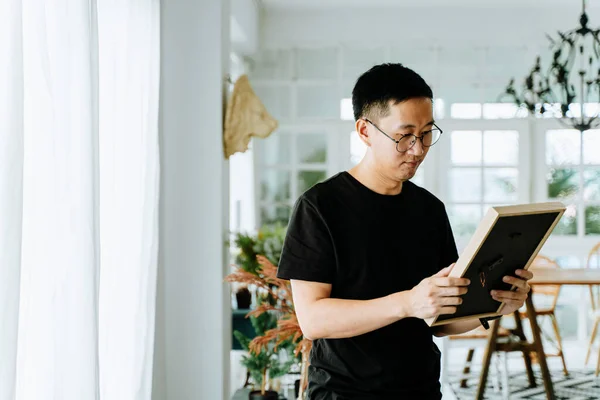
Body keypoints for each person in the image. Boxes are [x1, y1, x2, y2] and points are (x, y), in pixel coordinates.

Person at [275, 63, 533, 399]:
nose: (418, 148)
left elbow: (441, 321)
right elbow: (313, 320)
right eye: (404, 136)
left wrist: (497, 305)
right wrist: (407, 302)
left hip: (422, 390)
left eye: (427, 132)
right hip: (344, 393)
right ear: (365, 131)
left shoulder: (429, 209)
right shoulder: (320, 207)